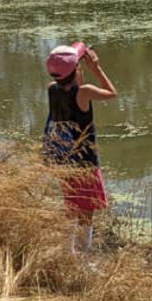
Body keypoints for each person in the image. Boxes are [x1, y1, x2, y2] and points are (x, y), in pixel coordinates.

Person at [44, 42, 117, 253]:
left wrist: (75, 68)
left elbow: (66, 81)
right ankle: (80, 259)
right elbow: (112, 93)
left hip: (64, 162)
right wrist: (96, 68)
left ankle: (68, 252)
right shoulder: (84, 92)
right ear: (76, 69)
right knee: (86, 215)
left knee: (72, 208)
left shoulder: (51, 90)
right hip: (85, 164)